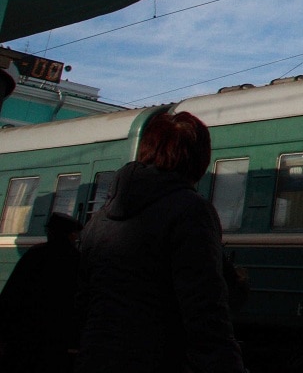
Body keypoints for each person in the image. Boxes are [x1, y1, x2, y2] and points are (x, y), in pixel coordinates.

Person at [75, 110, 246, 373]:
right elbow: (204, 310)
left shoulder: (97, 221)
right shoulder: (190, 211)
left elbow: (83, 301)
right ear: (198, 159)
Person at [0, 212, 83, 373]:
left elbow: (10, 296)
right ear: (72, 235)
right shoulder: (78, 260)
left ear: (50, 232)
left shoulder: (34, 255)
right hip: (58, 343)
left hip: (24, 340)